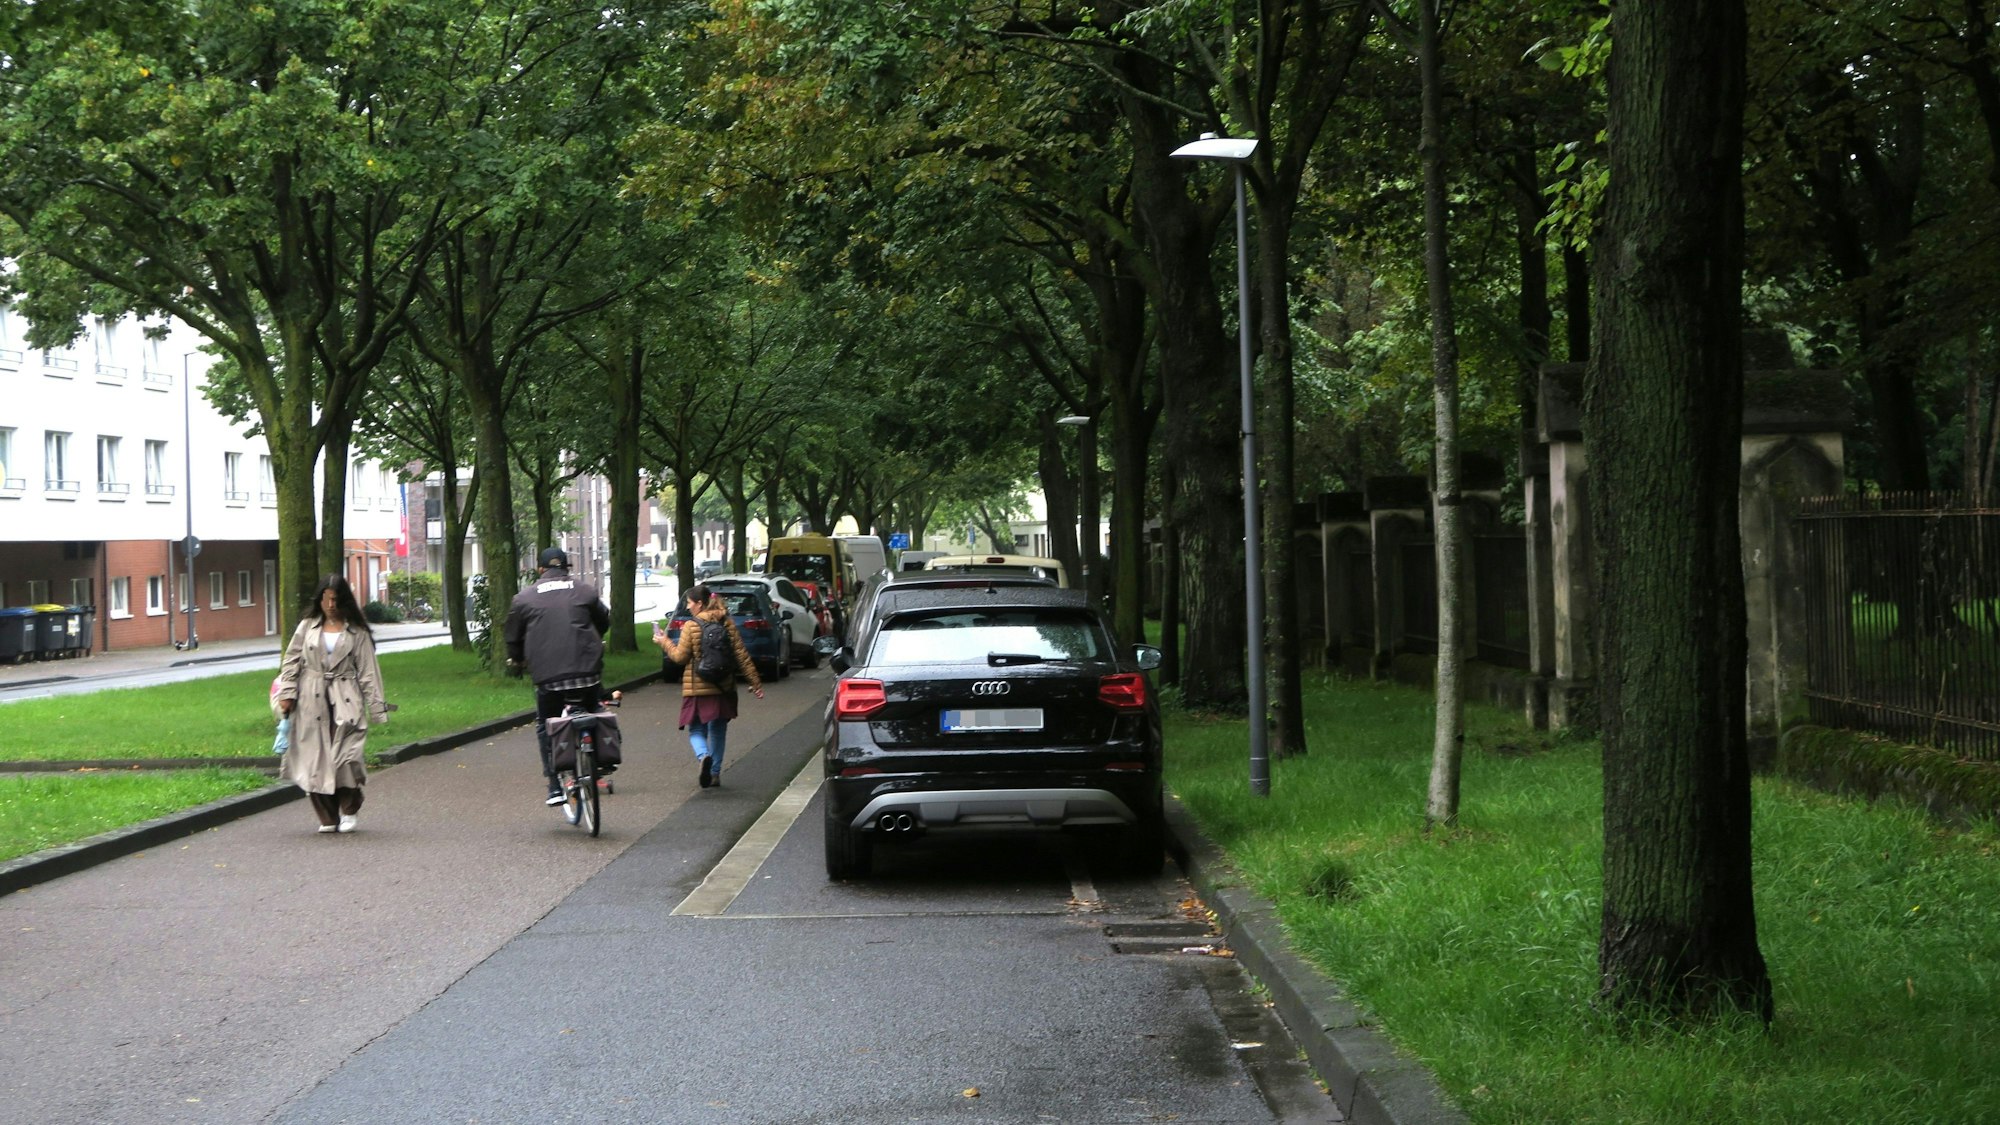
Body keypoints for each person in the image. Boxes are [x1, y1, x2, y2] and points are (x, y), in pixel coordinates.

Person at [275, 575, 389, 834]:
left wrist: (377, 709)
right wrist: (288, 693)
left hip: (345, 695)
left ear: (344, 600)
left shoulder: (356, 632)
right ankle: (327, 816)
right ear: (319, 600)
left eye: (336, 599)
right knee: (314, 758)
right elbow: (291, 661)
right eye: (326, 599)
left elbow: (369, 672)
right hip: (310, 696)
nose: (331, 604)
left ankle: (349, 807)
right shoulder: (307, 627)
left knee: (346, 756)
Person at [504, 547, 613, 808]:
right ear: (566, 568)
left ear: (540, 569)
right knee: (594, 707)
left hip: (549, 677)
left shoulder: (524, 598)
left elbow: (513, 636)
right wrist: (593, 638)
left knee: (546, 723)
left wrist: (517, 660)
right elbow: (604, 619)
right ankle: (602, 756)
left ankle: (554, 785)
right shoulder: (584, 590)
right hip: (588, 672)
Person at [653, 584, 764, 788]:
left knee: (696, 729)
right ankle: (714, 774)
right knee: (718, 730)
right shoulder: (727, 623)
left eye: (689, 603)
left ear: (700, 603)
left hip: (697, 687)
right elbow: (741, 655)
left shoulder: (691, 626)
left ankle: (704, 755)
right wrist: (755, 682)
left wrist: (664, 642)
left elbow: (679, 657)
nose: (688, 608)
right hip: (724, 686)